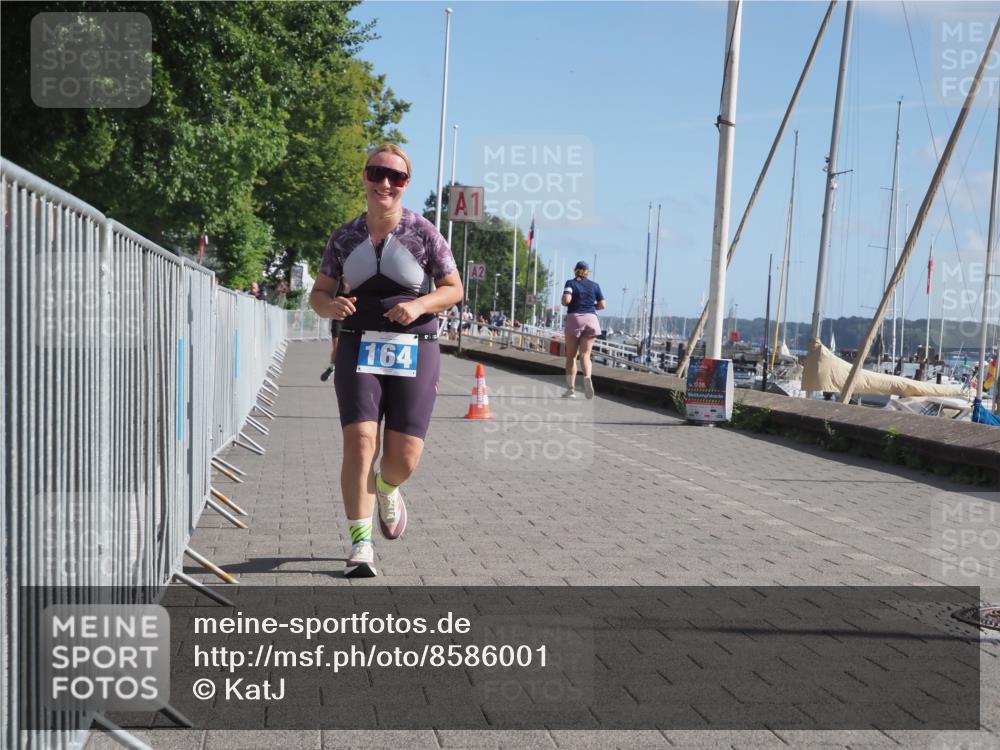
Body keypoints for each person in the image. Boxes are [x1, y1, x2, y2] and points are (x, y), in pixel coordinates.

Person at [309, 144, 462, 578]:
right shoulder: (344, 237)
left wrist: (419, 306)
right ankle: (360, 545)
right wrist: (329, 308)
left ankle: (387, 487)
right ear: (364, 176)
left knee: (404, 457)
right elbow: (318, 294)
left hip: (416, 346)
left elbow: (453, 288)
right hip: (359, 343)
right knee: (360, 443)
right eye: (378, 173)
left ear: (406, 184)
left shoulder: (424, 232)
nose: (386, 183)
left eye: (396, 177)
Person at [561, 260, 606, 399]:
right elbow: (603, 305)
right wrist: (592, 307)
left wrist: (564, 301)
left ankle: (571, 389)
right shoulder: (595, 286)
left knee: (571, 356)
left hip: (575, 318)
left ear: (575, 270)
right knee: (585, 355)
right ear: (587, 272)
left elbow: (567, 300)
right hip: (591, 319)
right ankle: (587, 377)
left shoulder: (571, 283)